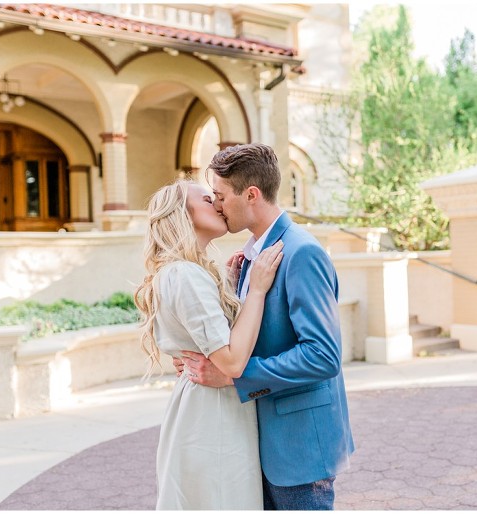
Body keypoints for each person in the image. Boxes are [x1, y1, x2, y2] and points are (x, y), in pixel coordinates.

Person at [174, 143, 355, 510]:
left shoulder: (301, 251)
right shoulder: (251, 254)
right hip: (262, 441)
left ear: (251, 194)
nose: (217, 205)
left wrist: (235, 377)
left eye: (221, 196)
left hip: (298, 445)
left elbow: (322, 357)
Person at [133, 179, 284, 510]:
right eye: (206, 198)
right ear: (181, 214)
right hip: (212, 413)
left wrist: (228, 287)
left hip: (208, 405)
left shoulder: (184, 272)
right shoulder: (185, 275)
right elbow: (231, 362)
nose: (218, 204)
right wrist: (256, 289)